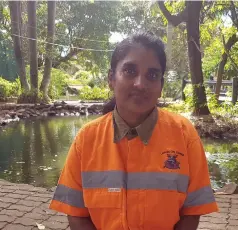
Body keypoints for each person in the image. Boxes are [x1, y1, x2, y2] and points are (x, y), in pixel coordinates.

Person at [49, 32, 218, 230]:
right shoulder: (86, 140)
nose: (140, 84)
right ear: (111, 78)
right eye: (130, 71)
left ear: (161, 85)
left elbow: (192, 212)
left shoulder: (184, 135)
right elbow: (76, 213)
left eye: (152, 75)